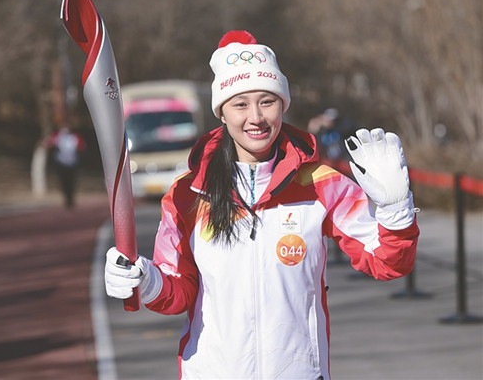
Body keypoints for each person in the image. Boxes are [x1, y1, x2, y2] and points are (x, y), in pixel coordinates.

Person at [104, 31, 419, 380]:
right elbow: (178, 292)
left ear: (283, 105)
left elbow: (389, 263)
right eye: (240, 104)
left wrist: (396, 210)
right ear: (222, 113)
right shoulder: (188, 195)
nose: (255, 117)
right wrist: (145, 279)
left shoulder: (321, 185)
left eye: (267, 101)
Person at [46, 125, 86, 208]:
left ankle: (70, 198)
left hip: (72, 163)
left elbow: (82, 146)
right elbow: (49, 143)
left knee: (71, 181)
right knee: (63, 181)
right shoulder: (57, 136)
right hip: (61, 163)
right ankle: (67, 198)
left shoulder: (75, 137)